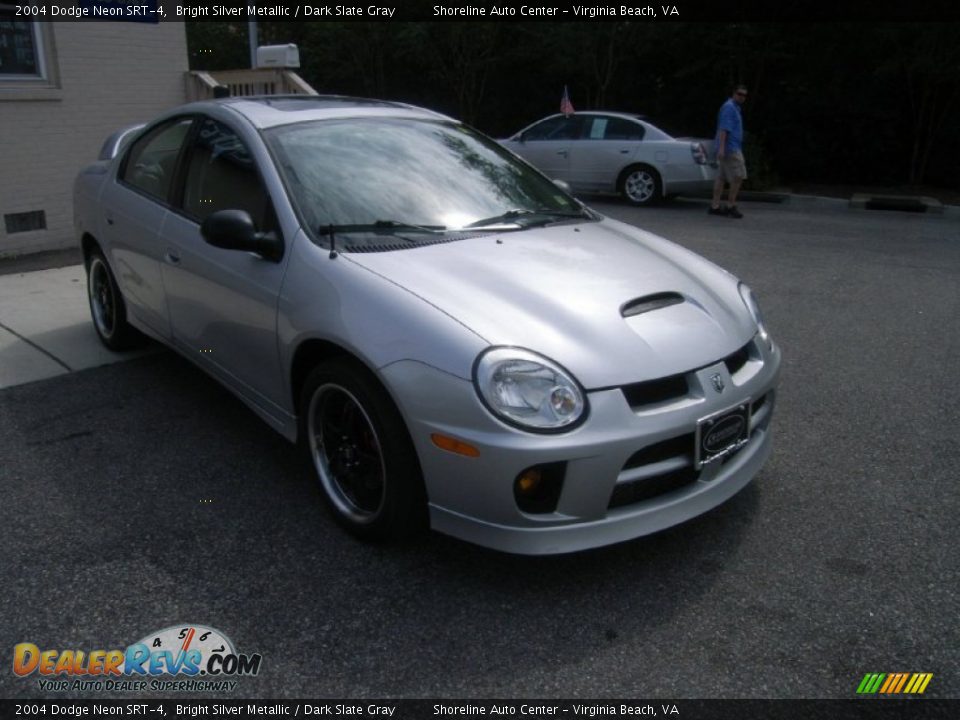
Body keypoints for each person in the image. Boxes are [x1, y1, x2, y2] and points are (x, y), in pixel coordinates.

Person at [709, 85, 748, 219]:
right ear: (734, 93)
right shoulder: (729, 107)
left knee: (721, 177)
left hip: (730, 147)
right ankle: (731, 205)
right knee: (739, 176)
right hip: (731, 149)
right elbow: (724, 129)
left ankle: (715, 206)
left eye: (744, 95)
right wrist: (721, 148)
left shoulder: (735, 108)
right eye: (739, 94)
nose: (742, 97)